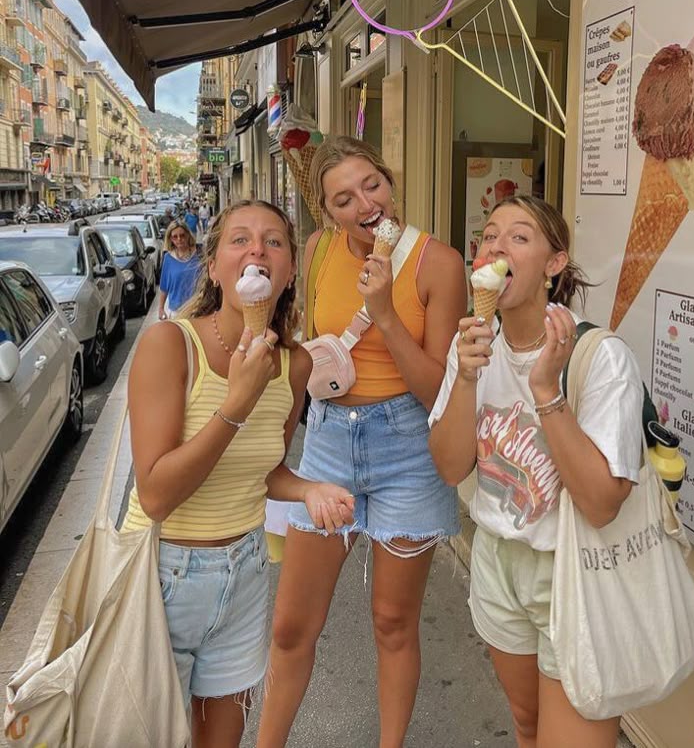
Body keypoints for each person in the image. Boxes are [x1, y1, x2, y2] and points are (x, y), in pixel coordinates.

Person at [257, 136, 467, 748]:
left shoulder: (439, 264)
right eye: (343, 198)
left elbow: (440, 394)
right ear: (327, 212)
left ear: (388, 178)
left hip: (408, 446)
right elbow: (304, 353)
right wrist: (281, 432)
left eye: (371, 185)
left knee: (393, 623)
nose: (364, 204)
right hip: (327, 444)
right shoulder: (319, 252)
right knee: (293, 625)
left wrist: (386, 312)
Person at [121, 199, 354, 748]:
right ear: (214, 265)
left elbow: (264, 469)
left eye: (274, 242)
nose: (257, 251)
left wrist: (308, 487)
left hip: (245, 572)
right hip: (162, 572)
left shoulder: (295, 364)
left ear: (290, 269)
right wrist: (236, 404)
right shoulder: (170, 344)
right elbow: (155, 493)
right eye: (240, 240)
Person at [428, 195, 643, 748]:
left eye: (519, 237)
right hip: (499, 560)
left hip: (579, 568)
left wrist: (546, 391)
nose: (497, 245)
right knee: (527, 725)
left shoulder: (601, 357)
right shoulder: (473, 346)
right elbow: (452, 467)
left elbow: (600, 502)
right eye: (490, 235)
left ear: (554, 263)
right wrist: (468, 378)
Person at [159, 222, 200, 320]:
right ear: (170, 239)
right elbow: (164, 286)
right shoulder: (168, 258)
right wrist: (161, 308)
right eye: (175, 237)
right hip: (176, 312)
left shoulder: (200, 254)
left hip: (198, 310)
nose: (179, 239)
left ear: (188, 235)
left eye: (182, 235)